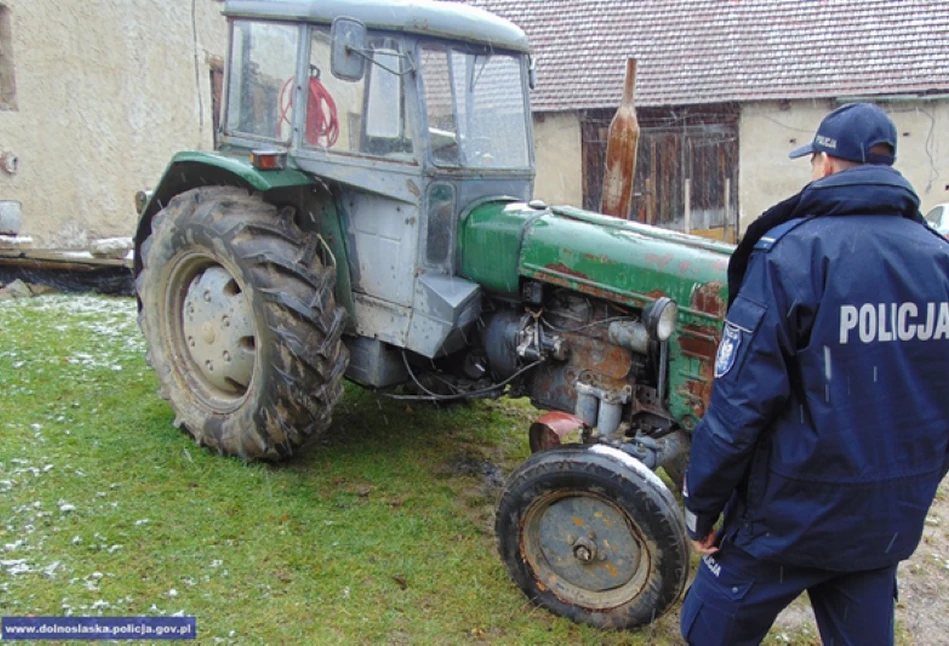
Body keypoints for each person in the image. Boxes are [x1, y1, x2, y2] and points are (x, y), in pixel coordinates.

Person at [679, 102, 949, 645]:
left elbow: (738, 408)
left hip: (783, 523)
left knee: (704, 633)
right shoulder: (940, 262)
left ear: (825, 163)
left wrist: (702, 506)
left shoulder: (791, 255)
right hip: (881, 525)